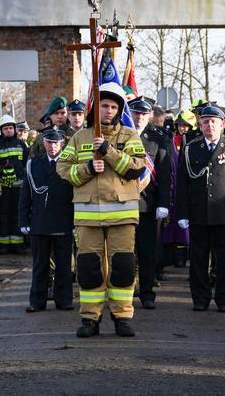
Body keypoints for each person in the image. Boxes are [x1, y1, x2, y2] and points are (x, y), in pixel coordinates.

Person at [57, 82, 147, 338]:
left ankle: (122, 317)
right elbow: (62, 170)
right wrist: (86, 169)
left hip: (122, 214)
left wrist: (109, 152)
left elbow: (136, 168)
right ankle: (90, 319)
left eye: (113, 107)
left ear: (119, 110)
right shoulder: (79, 137)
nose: (107, 111)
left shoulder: (129, 135)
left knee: (123, 267)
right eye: (103, 106)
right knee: (88, 268)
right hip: (87, 217)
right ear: (95, 109)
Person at [176, 105, 225, 312]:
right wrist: (182, 213)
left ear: (223, 124)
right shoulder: (191, 148)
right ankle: (200, 298)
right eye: (205, 121)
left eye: (214, 122)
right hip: (198, 213)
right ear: (200, 124)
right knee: (198, 259)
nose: (209, 125)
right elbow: (182, 184)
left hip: (224, 214)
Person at [19, 129, 74, 312]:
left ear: (62, 144)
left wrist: (75, 222)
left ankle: (64, 299)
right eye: (49, 143)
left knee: (64, 265)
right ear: (44, 144)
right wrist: (23, 220)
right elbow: (25, 194)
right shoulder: (33, 164)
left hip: (63, 221)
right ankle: (37, 301)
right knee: (40, 265)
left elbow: (75, 195)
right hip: (40, 221)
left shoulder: (69, 164)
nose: (53, 146)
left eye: (56, 143)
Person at [129, 97, 171, 309]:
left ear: (150, 116)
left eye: (143, 114)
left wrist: (163, 203)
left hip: (147, 205)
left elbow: (164, 175)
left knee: (147, 252)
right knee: (125, 253)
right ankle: (124, 293)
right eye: (136, 113)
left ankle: (147, 293)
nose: (139, 117)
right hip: (124, 203)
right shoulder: (122, 135)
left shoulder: (159, 137)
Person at [0, 114, 29, 253]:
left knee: (17, 214)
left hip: (19, 188)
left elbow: (27, 164)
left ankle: (17, 243)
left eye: (10, 128)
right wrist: (1, 172)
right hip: (3, 188)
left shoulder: (21, 144)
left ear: (14, 129)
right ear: (1, 130)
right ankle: (2, 244)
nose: (8, 131)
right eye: (5, 128)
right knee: (3, 214)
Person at [163, 110, 196, 267]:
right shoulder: (171, 139)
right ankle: (168, 256)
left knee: (182, 225)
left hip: (184, 185)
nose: (183, 129)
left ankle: (182, 257)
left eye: (186, 126)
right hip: (171, 184)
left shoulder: (192, 141)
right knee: (169, 223)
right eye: (181, 125)